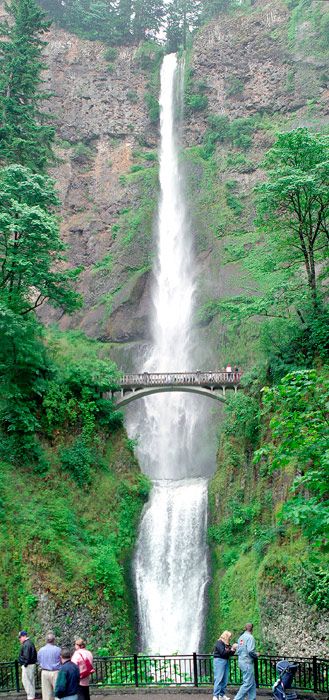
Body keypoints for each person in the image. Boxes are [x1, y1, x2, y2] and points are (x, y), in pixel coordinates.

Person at [233, 623, 259, 700]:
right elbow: (250, 651)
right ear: (252, 629)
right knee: (247, 683)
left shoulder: (241, 637)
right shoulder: (250, 637)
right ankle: (237, 698)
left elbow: (239, 650)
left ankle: (252, 698)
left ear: (245, 628)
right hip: (247, 662)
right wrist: (256, 654)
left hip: (241, 661)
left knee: (252, 682)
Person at [213, 630, 237, 700]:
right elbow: (222, 653)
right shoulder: (219, 642)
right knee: (218, 678)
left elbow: (230, 654)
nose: (230, 638)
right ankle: (215, 696)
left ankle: (221, 695)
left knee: (225, 679)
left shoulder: (227, 644)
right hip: (219, 661)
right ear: (226, 636)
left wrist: (233, 649)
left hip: (225, 661)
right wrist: (231, 649)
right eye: (229, 637)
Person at [37, 631, 61, 700]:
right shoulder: (58, 650)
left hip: (44, 672)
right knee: (58, 693)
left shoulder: (41, 650)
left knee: (46, 695)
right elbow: (61, 661)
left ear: (46, 640)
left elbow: (39, 660)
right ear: (54, 640)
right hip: (56, 672)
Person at [18, 630, 37, 700]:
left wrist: (24, 664)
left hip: (28, 665)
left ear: (24, 636)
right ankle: (32, 696)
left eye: (20, 637)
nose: (19, 639)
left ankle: (31, 696)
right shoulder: (29, 643)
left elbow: (26, 657)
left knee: (26, 681)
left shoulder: (27, 644)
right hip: (30, 665)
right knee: (31, 681)